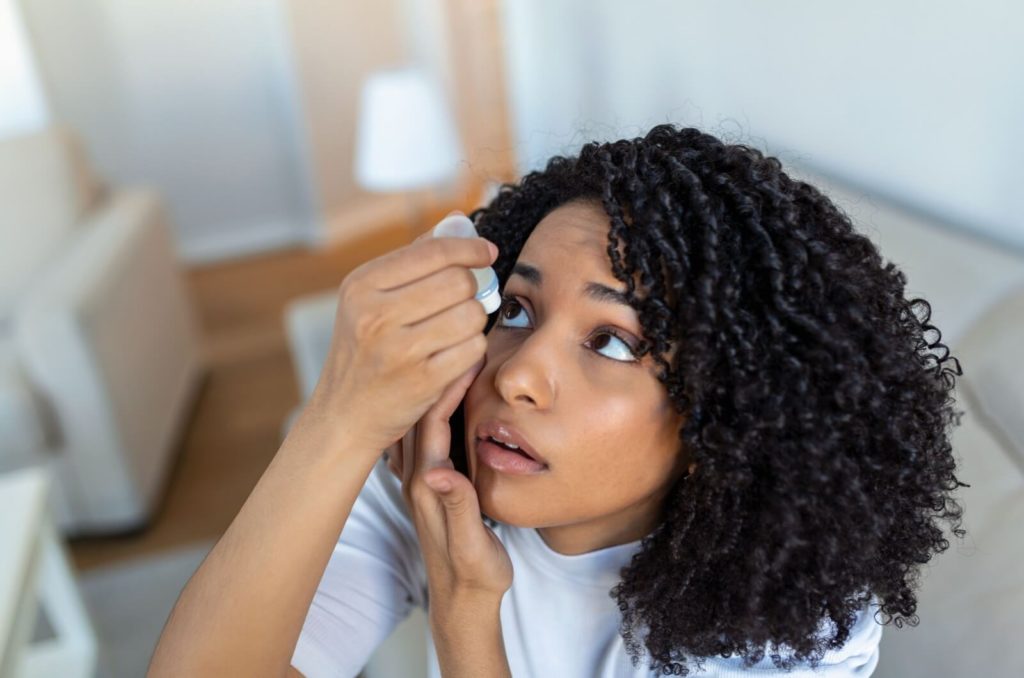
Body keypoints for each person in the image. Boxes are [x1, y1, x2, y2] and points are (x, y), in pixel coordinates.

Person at [149, 124, 967, 677]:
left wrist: (466, 615)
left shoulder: (787, 613)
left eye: (612, 340)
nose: (516, 375)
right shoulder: (441, 469)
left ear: (727, 411)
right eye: (516, 310)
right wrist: (336, 418)